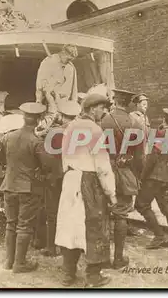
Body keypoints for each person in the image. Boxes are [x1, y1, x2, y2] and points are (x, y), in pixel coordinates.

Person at [55, 93, 116, 288]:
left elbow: (64, 156)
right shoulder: (95, 129)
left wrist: (69, 174)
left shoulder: (71, 127)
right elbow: (102, 165)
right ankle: (93, 276)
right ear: (91, 109)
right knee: (94, 226)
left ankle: (68, 274)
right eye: (101, 107)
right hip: (88, 181)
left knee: (70, 226)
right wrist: (111, 193)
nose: (104, 111)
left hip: (70, 179)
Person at [0, 102, 47, 273]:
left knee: (11, 224)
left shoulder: (8, 137)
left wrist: (5, 164)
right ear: (38, 120)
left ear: (23, 118)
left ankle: (9, 261)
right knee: (24, 226)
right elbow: (45, 166)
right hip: (27, 189)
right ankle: (20, 263)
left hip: (9, 186)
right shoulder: (36, 142)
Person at [100, 88, 144, 269]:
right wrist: (137, 175)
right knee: (121, 215)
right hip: (125, 172)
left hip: (103, 171)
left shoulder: (103, 120)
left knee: (101, 213)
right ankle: (118, 258)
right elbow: (141, 157)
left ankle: (100, 258)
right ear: (129, 103)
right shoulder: (136, 124)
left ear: (115, 101)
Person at [135, 108, 168, 249]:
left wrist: (142, 176)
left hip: (153, 177)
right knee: (167, 207)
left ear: (164, 119)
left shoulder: (161, 133)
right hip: (164, 176)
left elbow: (152, 156)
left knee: (141, 204)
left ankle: (159, 235)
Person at [41, 100, 81, 257]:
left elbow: (46, 157)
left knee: (52, 212)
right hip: (74, 176)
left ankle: (52, 247)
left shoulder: (55, 132)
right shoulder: (81, 132)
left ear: (63, 116)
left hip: (55, 177)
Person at [35, 45, 79, 111]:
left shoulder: (71, 67)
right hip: (48, 103)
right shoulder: (48, 62)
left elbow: (74, 88)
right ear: (63, 52)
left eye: (71, 60)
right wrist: (39, 101)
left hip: (64, 106)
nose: (68, 61)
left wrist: (74, 103)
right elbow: (40, 84)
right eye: (68, 59)